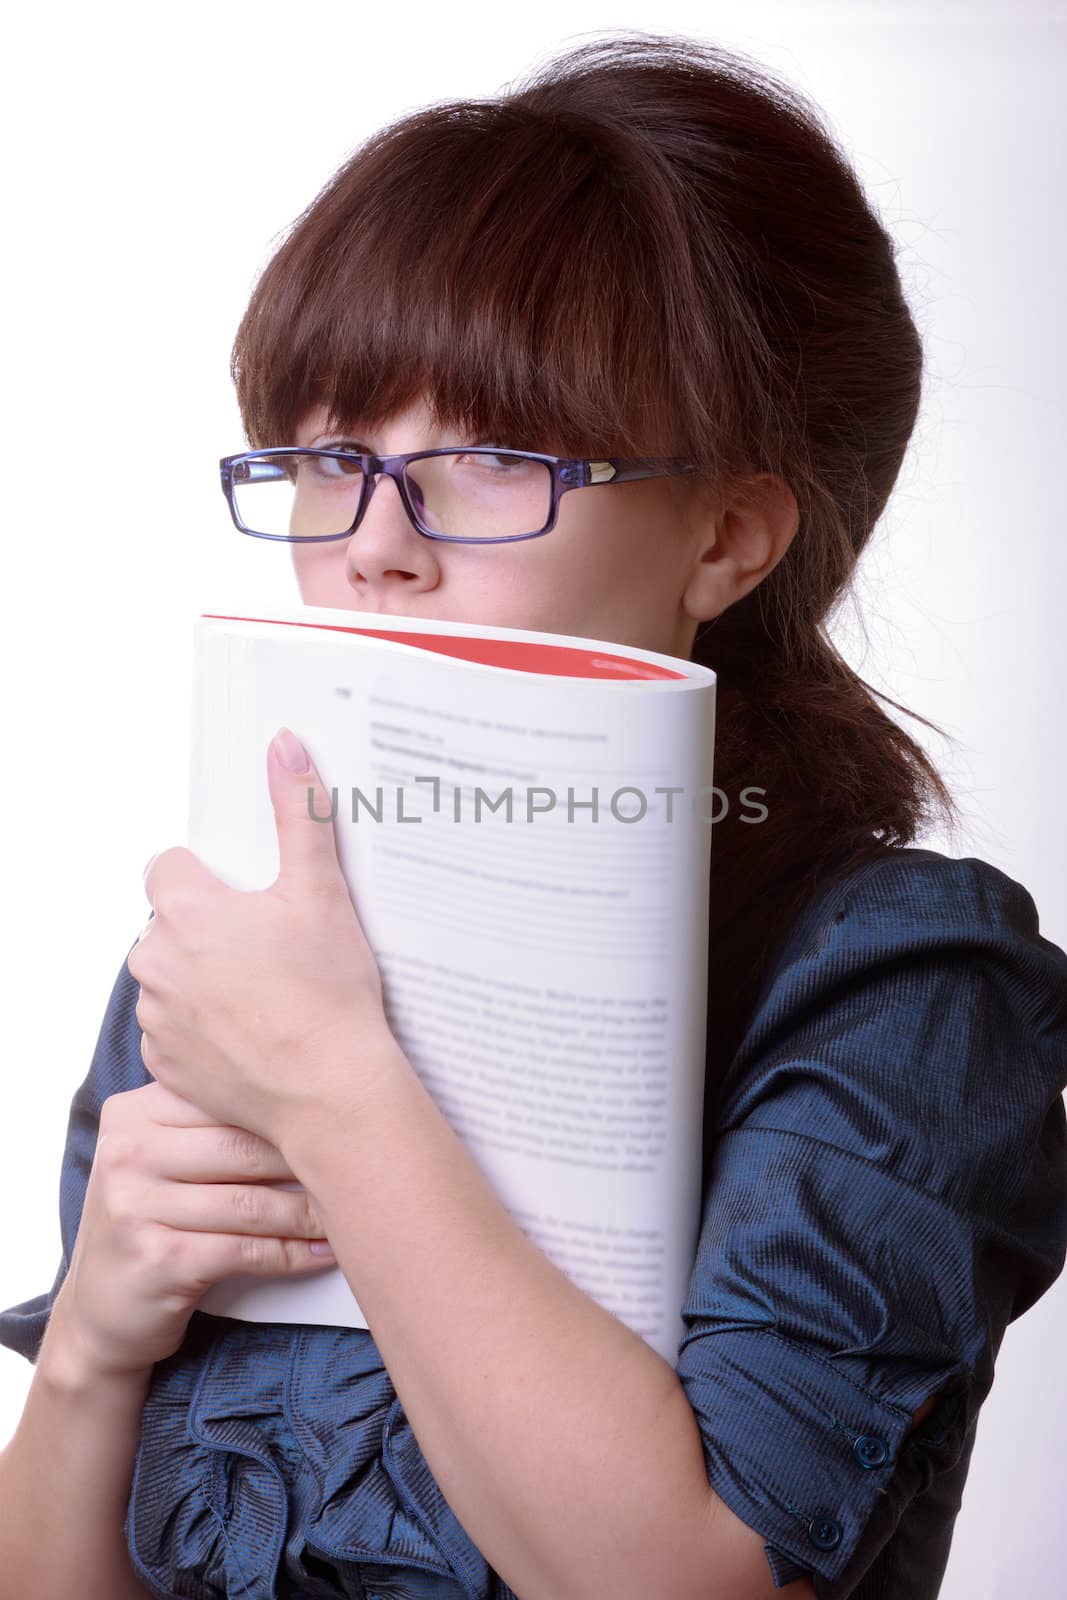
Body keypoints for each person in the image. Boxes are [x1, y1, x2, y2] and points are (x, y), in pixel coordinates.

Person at [2, 29, 1065, 1600]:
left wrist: (334, 1090)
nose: (376, 548)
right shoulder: (238, 950)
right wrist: (91, 1344)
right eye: (330, 458)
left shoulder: (899, 982)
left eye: (492, 458)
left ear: (730, 537)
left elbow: (684, 1581)